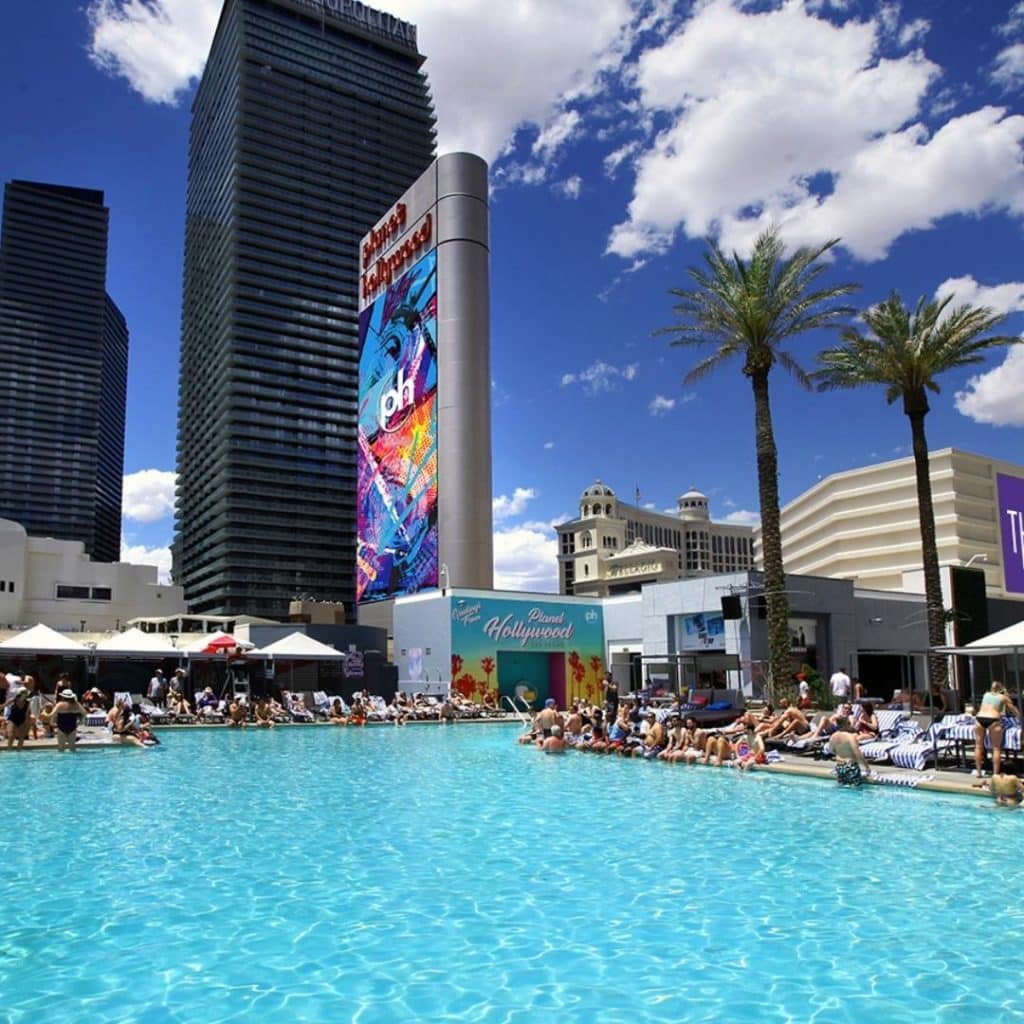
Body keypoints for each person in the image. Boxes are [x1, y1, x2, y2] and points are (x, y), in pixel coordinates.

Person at [973, 680, 1020, 778]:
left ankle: (978, 772)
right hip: (993, 719)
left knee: (978, 746)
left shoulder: (985, 695)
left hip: (980, 718)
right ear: (1001, 689)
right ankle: (995, 774)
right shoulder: (1003, 697)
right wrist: (1020, 717)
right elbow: (1013, 710)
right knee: (996, 748)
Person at [828, 718, 872, 785]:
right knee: (855, 789)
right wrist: (867, 767)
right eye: (849, 723)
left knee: (842, 789)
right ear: (846, 724)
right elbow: (858, 753)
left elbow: (831, 750)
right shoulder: (850, 737)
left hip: (839, 766)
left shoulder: (833, 736)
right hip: (850, 766)